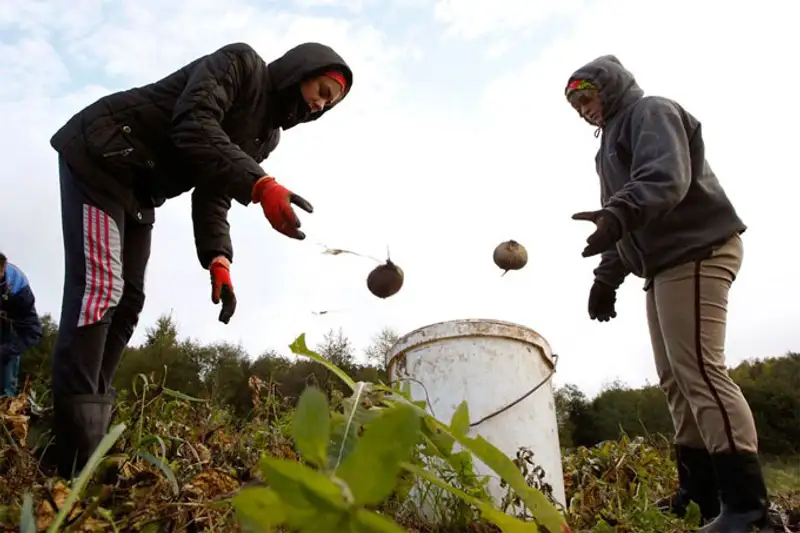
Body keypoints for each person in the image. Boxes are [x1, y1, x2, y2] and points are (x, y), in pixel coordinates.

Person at [47, 41, 353, 478]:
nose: (321, 105)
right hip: (102, 154)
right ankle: (71, 450)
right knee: (101, 288)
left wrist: (218, 258)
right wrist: (261, 184)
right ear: (299, 72)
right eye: (322, 90)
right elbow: (192, 124)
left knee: (128, 302)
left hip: (139, 188)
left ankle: (87, 431)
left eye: (329, 103)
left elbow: (214, 191)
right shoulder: (240, 65)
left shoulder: (266, 136)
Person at [564, 55, 772, 533]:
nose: (584, 109)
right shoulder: (607, 147)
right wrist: (606, 277)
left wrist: (619, 215)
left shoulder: (650, 112)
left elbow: (664, 179)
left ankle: (748, 509)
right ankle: (698, 496)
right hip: (661, 265)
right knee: (676, 379)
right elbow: (622, 219)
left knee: (700, 371)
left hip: (696, 249)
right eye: (576, 106)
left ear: (609, 88)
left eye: (587, 97)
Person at [0, 253, 44, 397]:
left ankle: (6, 398)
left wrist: (4, 351)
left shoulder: (20, 292)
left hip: (8, 332)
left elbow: (33, 333)